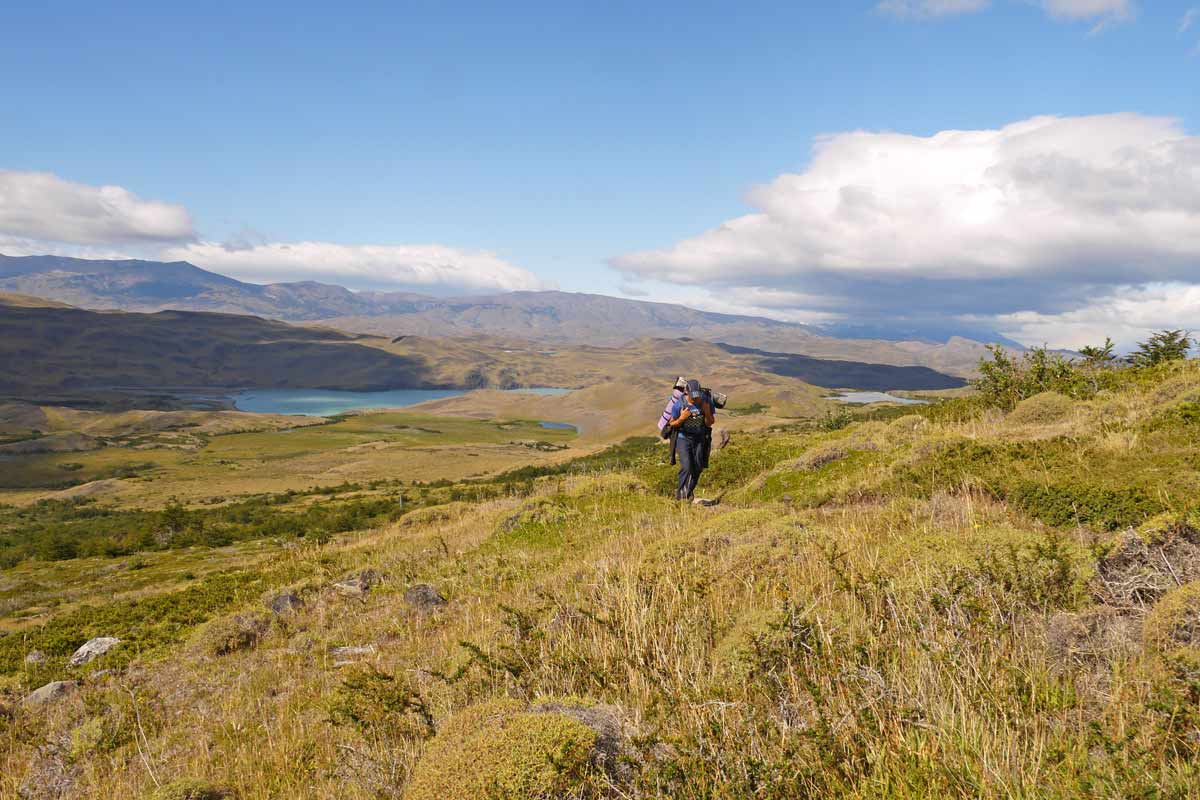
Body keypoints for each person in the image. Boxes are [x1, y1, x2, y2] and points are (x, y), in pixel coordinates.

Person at [667, 379, 715, 501]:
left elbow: (709, 423)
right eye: (693, 397)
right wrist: (681, 418)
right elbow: (671, 424)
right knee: (687, 466)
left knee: (698, 466)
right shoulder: (679, 404)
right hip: (683, 438)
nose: (695, 399)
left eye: (697, 396)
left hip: (699, 437)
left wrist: (707, 412)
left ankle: (688, 492)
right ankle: (681, 497)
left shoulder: (706, 401)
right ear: (686, 393)